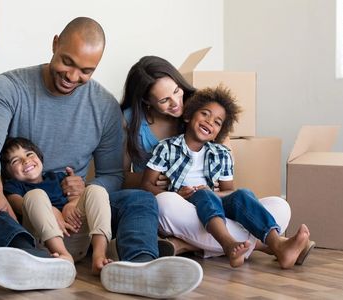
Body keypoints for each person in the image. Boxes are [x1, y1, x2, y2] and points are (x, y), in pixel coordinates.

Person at [0, 17, 203, 298]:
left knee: (140, 198)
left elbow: (112, 174)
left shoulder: (103, 106)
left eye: (86, 71)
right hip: (18, 202)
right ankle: (26, 253)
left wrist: (82, 195)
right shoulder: (9, 86)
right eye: (67, 62)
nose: (73, 76)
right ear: (55, 44)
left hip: (76, 212)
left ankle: (138, 265)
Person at [120, 56, 315, 265]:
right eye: (164, 100)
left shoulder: (205, 112)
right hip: (175, 205)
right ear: (146, 101)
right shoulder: (154, 138)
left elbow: (228, 188)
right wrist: (168, 187)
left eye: (176, 91)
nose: (177, 103)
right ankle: (267, 245)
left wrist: (215, 193)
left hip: (214, 205)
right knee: (166, 203)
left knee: (279, 206)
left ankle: (185, 244)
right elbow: (125, 178)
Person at [0, 136, 112, 274]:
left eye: (29, 154)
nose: (26, 160)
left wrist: (71, 204)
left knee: (96, 190)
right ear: (7, 172)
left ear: (40, 158)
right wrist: (51, 210)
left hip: (75, 236)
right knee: (35, 195)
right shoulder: (13, 186)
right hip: (46, 245)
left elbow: (77, 197)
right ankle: (63, 255)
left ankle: (99, 256)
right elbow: (18, 205)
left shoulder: (57, 177)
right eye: (16, 160)